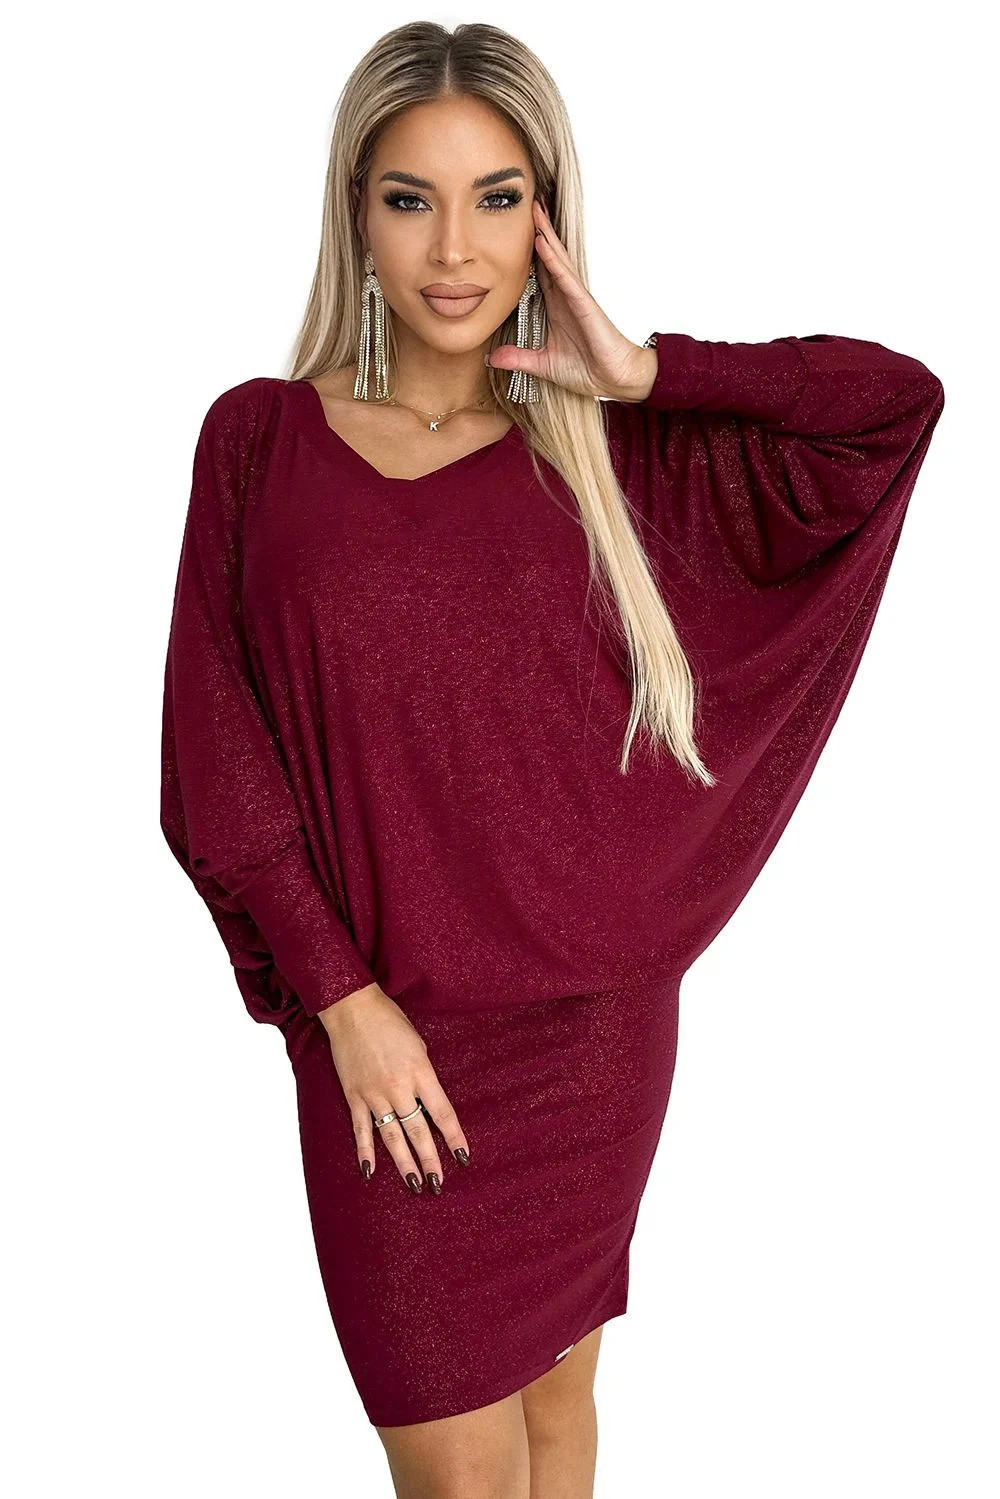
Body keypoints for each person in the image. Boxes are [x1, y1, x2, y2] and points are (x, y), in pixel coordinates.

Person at [158, 20, 945, 1499]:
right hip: (384, 1041)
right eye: (411, 198)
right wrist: (343, 1001)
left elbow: (894, 404)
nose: (455, 248)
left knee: (562, 1420)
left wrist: (647, 369)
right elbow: (218, 753)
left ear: (550, 216)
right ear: (354, 212)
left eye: (499, 197)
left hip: (588, 1039)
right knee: (460, 1476)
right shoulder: (258, 441)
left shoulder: (617, 454)